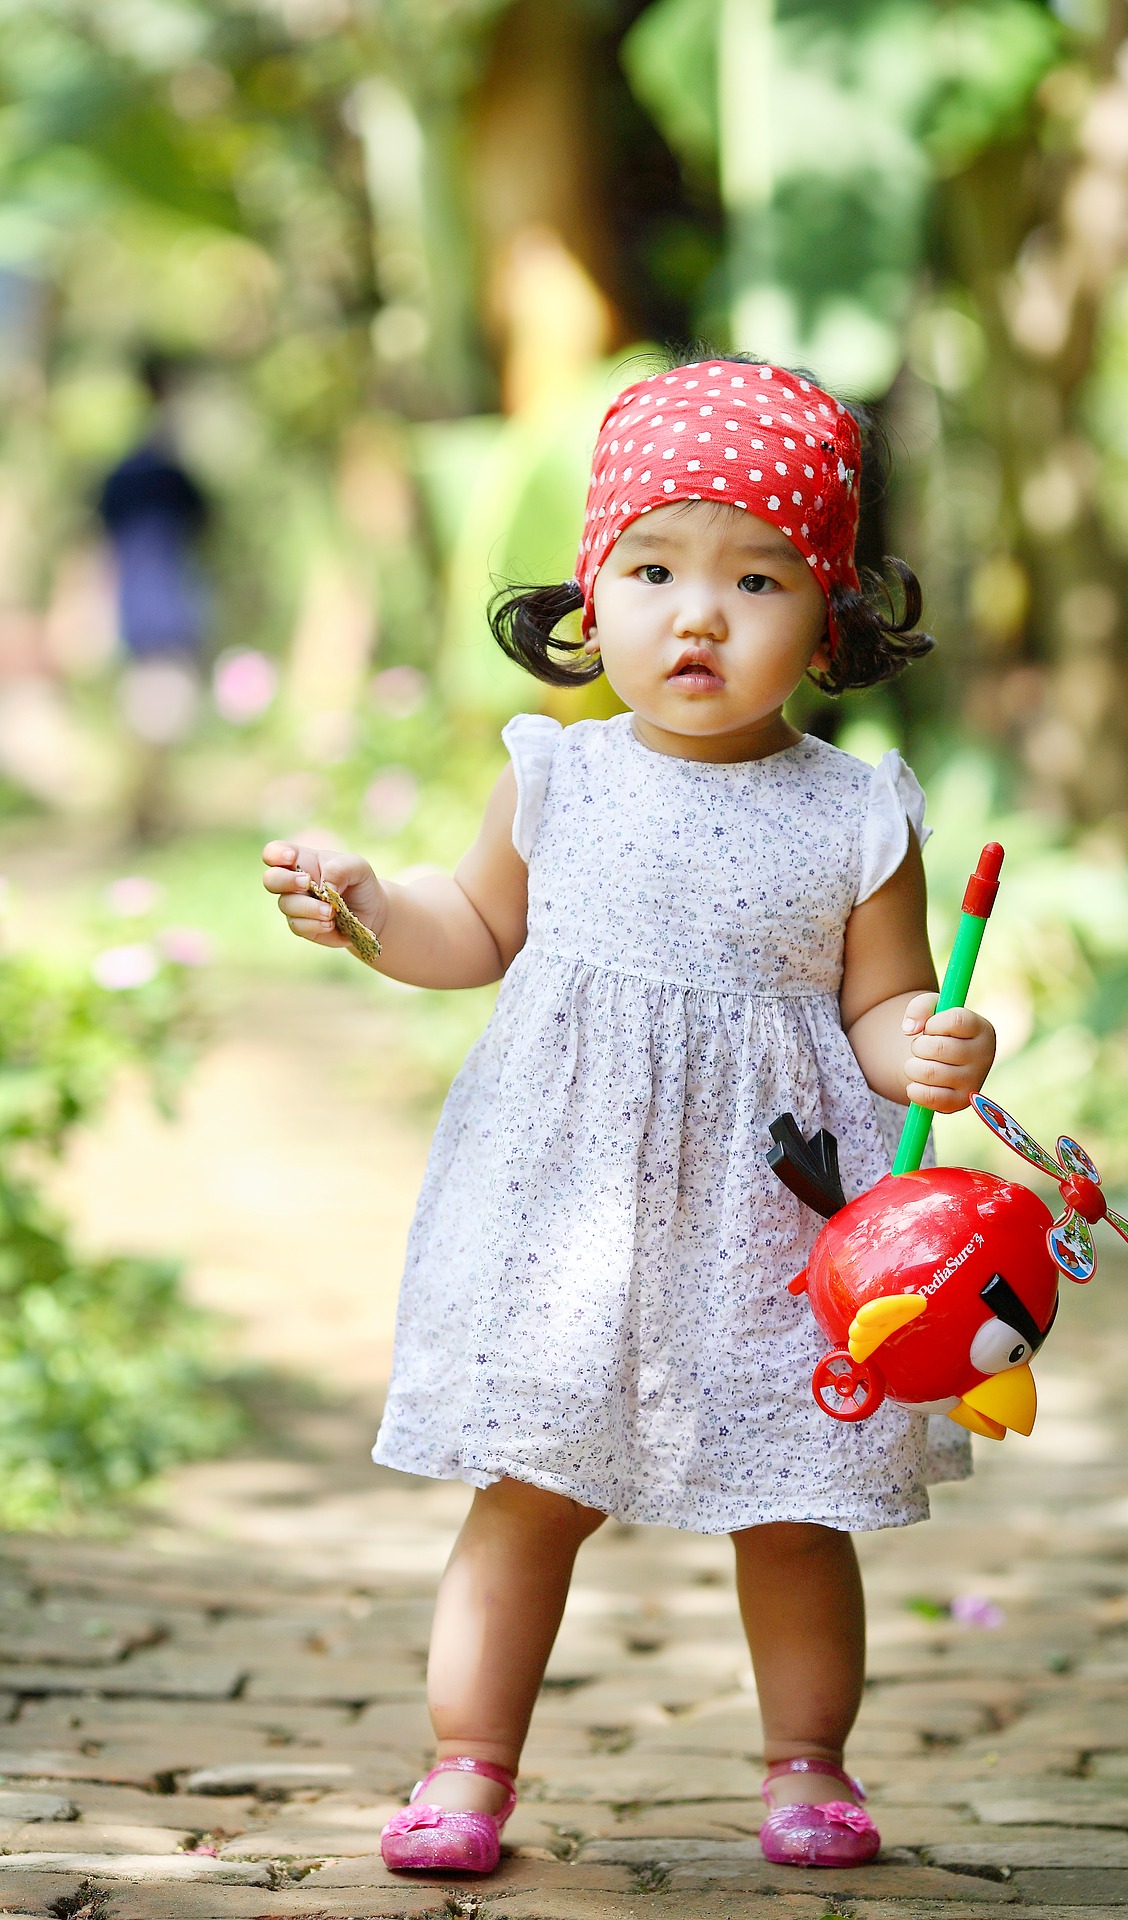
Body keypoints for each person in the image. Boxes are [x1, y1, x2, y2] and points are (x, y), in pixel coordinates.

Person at [261, 356, 996, 1875]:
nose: (698, 614)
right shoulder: (559, 776)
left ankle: (810, 1763)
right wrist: (362, 905)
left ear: (832, 613)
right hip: (564, 1207)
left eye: (757, 577)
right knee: (527, 1489)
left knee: (793, 1509)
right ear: (589, 599)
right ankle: (466, 1764)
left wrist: (920, 1046)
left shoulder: (856, 811)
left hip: (772, 1225)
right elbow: (470, 929)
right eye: (651, 569)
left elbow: (875, 1007)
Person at [99, 353, 209, 837]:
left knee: (154, 716)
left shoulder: (126, 472)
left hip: (144, 609)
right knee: (157, 718)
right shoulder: (162, 470)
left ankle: (147, 812)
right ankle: (143, 814)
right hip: (163, 610)